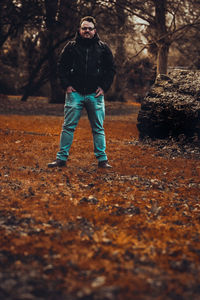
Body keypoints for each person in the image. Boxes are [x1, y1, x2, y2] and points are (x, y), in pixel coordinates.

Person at [48, 16, 115, 169]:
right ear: (79, 29)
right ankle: (61, 159)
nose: (87, 31)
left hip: (95, 95)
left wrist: (104, 87)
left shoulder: (103, 48)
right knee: (68, 127)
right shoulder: (71, 47)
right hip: (75, 93)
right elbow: (61, 67)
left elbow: (111, 69)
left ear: (94, 30)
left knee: (98, 128)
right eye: (84, 28)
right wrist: (67, 86)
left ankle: (102, 161)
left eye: (90, 28)